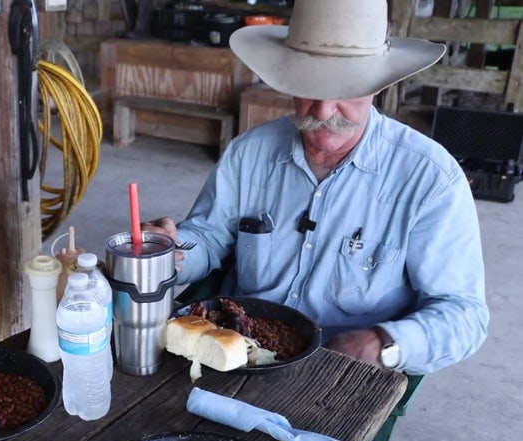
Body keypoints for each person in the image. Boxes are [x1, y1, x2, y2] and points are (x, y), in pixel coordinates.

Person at [144, 0, 488, 375]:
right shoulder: (248, 153)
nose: (323, 111)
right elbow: (209, 237)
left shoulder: (430, 179)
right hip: (237, 352)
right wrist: (174, 252)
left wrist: (384, 343)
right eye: (310, 85)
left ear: (379, 85)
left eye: (347, 90)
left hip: (340, 371)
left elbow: (464, 312)